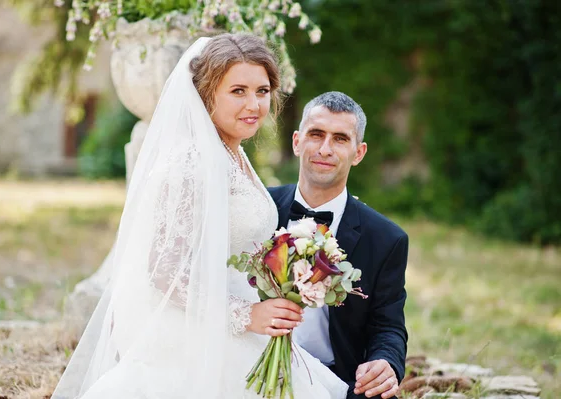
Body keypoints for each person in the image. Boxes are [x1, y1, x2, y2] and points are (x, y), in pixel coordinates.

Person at [51, 34, 348, 399]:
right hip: (194, 330)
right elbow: (165, 269)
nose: (253, 104)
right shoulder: (191, 163)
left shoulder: (231, 154)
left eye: (262, 90)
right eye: (237, 90)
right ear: (207, 93)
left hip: (232, 319)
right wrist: (245, 315)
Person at [268, 92, 409, 399]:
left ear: (358, 152)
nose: (325, 148)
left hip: (334, 379)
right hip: (250, 365)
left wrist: (386, 362)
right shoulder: (258, 208)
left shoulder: (387, 239)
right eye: (316, 134)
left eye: (340, 139)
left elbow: (388, 326)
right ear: (296, 142)